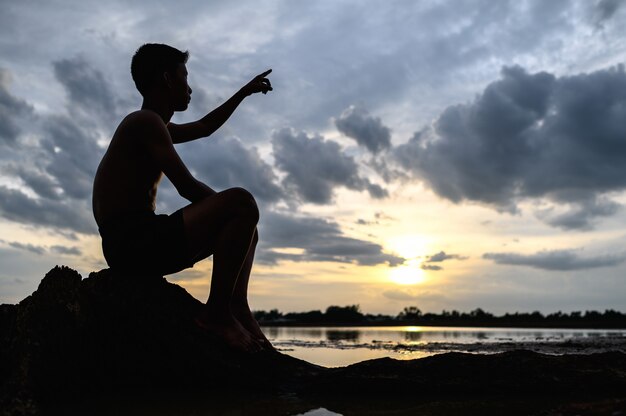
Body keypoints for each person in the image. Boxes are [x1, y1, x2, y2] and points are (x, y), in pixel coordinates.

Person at [92, 43, 273, 352]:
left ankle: (236, 307)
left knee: (247, 225)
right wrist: (230, 209)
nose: (189, 88)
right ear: (167, 79)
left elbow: (204, 127)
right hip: (131, 242)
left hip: (139, 239)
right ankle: (216, 314)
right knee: (242, 204)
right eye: (185, 76)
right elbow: (186, 187)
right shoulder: (143, 122)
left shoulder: (156, 124)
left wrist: (243, 93)